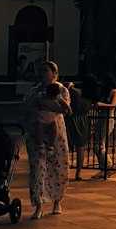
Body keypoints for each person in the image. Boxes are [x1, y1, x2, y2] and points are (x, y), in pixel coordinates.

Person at [22, 59, 72, 218]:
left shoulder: (62, 90)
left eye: (45, 70)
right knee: (38, 169)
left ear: (54, 73)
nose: (42, 73)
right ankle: (38, 205)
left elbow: (64, 109)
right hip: (37, 133)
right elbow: (27, 107)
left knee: (58, 166)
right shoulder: (34, 91)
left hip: (56, 134)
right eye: (40, 70)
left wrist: (44, 104)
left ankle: (57, 201)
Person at [66, 74, 99, 180]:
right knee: (81, 148)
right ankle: (78, 173)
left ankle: (64, 170)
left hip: (73, 118)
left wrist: (70, 85)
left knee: (67, 145)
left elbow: (68, 91)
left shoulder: (76, 92)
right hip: (84, 120)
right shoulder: (91, 97)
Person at [92, 76, 116, 177]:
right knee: (97, 144)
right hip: (101, 117)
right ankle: (104, 167)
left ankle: (108, 166)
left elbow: (113, 105)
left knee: (101, 143)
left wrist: (101, 105)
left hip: (108, 118)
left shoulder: (115, 92)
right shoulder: (104, 93)